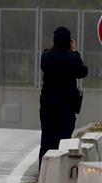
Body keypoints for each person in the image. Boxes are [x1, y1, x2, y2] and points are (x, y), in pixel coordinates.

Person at [38, 26, 88, 167]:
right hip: (66, 108)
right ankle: (59, 170)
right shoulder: (73, 59)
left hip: (47, 106)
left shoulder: (46, 57)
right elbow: (83, 71)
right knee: (63, 140)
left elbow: (45, 63)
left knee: (46, 140)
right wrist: (74, 51)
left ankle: (43, 171)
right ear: (69, 42)